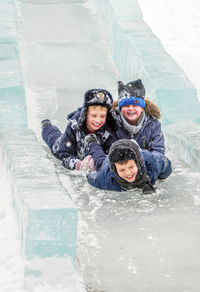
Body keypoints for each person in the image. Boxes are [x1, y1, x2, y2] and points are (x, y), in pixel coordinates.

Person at [41, 88, 119, 171]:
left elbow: (111, 153)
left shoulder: (109, 130)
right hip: (70, 148)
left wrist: (97, 161)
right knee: (54, 141)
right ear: (86, 113)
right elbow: (64, 154)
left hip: (91, 154)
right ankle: (47, 127)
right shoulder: (74, 126)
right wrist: (78, 165)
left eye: (102, 116)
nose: (98, 120)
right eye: (94, 115)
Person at [84, 138, 172, 194]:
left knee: (137, 152)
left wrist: (161, 176)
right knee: (100, 160)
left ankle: (133, 143)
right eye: (122, 170)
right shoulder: (105, 179)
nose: (128, 173)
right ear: (115, 170)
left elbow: (166, 165)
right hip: (110, 160)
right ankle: (92, 142)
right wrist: (88, 173)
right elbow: (92, 178)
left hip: (139, 154)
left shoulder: (152, 162)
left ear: (138, 164)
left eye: (131, 167)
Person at [114, 79, 165, 155]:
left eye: (135, 105)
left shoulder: (153, 125)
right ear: (120, 108)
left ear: (142, 108)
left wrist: (142, 158)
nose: (131, 108)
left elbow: (158, 152)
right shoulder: (113, 124)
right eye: (126, 105)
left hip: (146, 165)